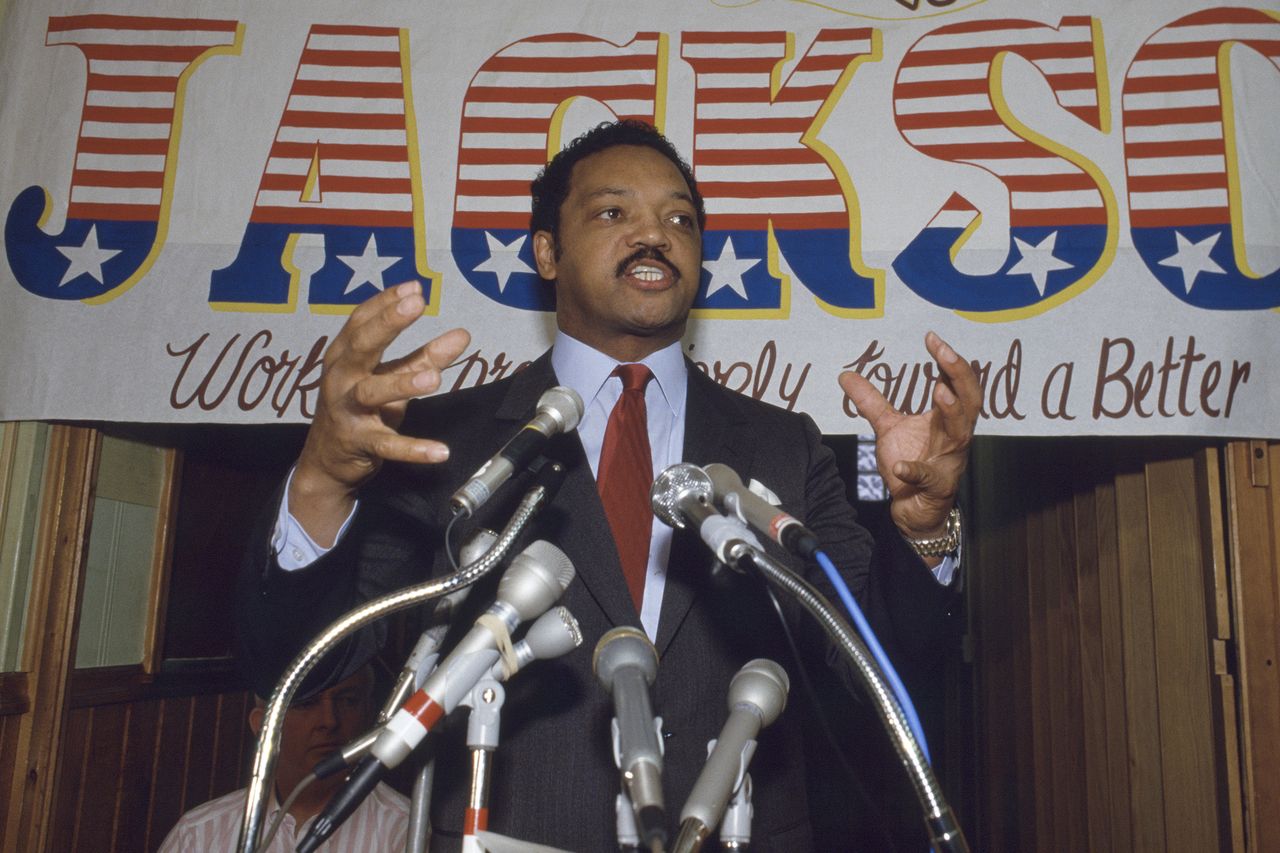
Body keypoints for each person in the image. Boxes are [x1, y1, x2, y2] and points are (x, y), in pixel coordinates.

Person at [237, 120, 980, 851]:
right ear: (547, 252)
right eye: (613, 213)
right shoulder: (450, 443)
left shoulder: (783, 444)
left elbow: (884, 664)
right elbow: (302, 662)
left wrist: (923, 523)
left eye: (679, 219)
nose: (654, 235)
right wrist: (321, 485)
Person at [157, 664, 409, 852]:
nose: (329, 720)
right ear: (262, 726)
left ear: (368, 714)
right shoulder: (198, 834)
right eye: (306, 703)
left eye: (348, 701)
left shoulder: (402, 827)